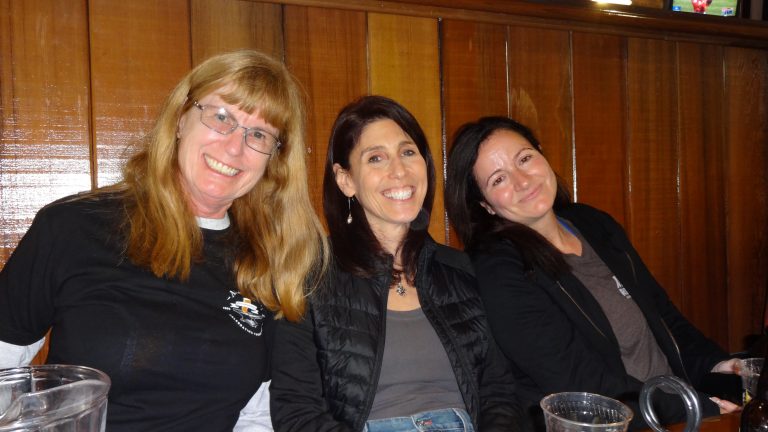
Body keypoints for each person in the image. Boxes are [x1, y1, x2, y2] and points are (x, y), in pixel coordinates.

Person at [0, 50, 328, 431]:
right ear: (180, 118)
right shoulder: (73, 227)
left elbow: (255, 416)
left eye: (258, 134)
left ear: (273, 157)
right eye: (221, 117)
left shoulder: (268, 262)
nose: (234, 147)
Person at [444, 116, 742, 431]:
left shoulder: (593, 224)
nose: (523, 181)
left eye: (525, 159)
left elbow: (665, 319)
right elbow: (579, 383)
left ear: (542, 154)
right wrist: (693, 406)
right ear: (486, 205)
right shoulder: (499, 270)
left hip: (679, 407)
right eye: (499, 180)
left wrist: (720, 365)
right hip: (621, 423)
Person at [269, 96, 524, 432]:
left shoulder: (459, 269)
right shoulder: (310, 275)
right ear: (346, 180)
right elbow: (296, 413)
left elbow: (498, 391)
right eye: (376, 158)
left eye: (408, 152)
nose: (399, 171)